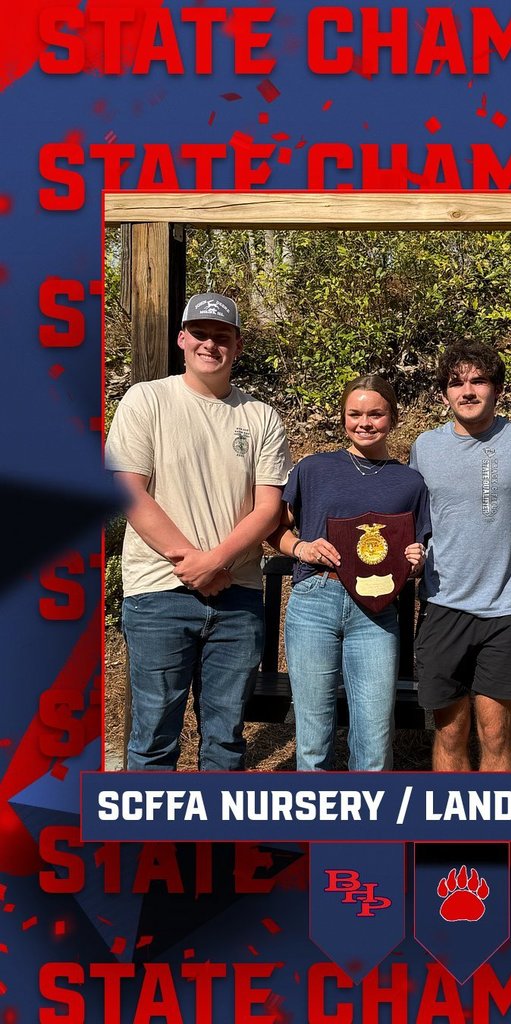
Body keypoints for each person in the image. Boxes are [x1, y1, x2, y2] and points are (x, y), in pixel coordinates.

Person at [105, 292, 293, 770]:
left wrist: (215, 563)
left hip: (238, 594)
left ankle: (214, 844)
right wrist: (193, 564)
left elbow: (268, 508)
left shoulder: (261, 415)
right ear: (182, 338)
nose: (211, 344)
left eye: (222, 336)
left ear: (238, 344)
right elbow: (130, 492)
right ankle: (148, 845)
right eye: (201, 334)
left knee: (226, 738)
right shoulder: (146, 399)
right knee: (153, 736)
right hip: (158, 593)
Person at [273, 375, 430, 771]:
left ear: (392, 418)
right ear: (342, 417)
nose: (364, 422)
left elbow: (416, 552)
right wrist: (300, 547)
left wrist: (416, 559)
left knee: (375, 740)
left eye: (375, 414)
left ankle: (367, 831)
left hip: (376, 613)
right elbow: (273, 528)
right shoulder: (314, 468)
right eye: (354, 414)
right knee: (312, 739)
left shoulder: (409, 481)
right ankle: (313, 830)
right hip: (314, 603)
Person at [409, 341, 511, 772]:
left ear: (497, 388)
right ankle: (454, 836)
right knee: (449, 734)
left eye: (478, 380)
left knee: (498, 734)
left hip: (504, 610)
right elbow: (414, 517)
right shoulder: (425, 447)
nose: (467, 391)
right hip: (442, 604)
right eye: (456, 382)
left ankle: (497, 835)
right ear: (444, 393)